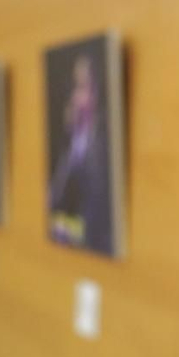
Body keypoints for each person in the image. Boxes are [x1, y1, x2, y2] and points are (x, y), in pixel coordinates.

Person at [48, 54, 112, 252]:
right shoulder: (75, 139)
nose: (75, 98)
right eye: (75, 88)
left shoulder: (101, 143)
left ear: (98, 93)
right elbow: (56, 197)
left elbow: (97, 216)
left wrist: (71, 231)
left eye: (83, 88)